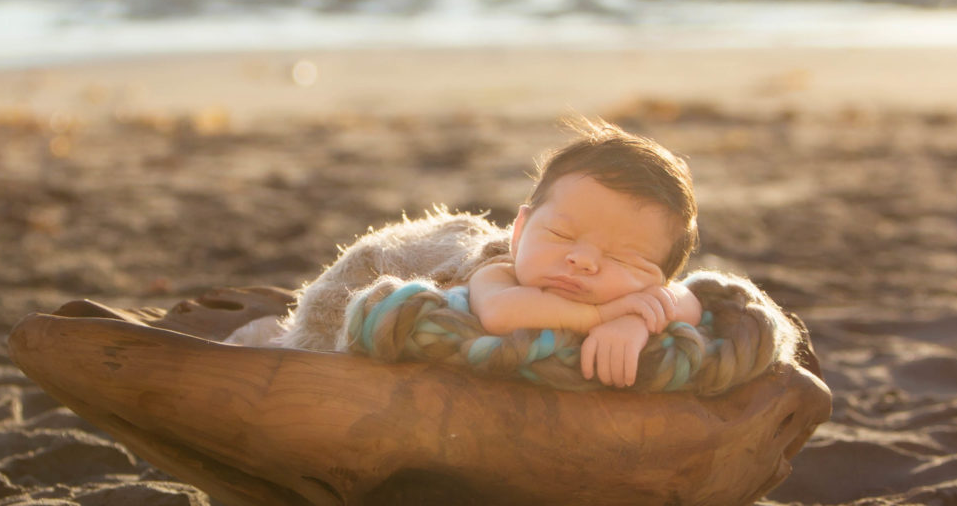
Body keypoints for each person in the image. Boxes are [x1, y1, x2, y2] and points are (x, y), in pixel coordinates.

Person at [228, 115, 707, 388]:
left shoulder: (639, 295)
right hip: (376, 279)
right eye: (561, 236)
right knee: (304, 348)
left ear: (657, 279)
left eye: (623, 259)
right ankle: (265, 337)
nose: (583, 260)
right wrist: (607, 314)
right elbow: (501, 314)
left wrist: (638, 318)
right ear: (520, 230)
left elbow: (691, 302)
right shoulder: (500, 272)